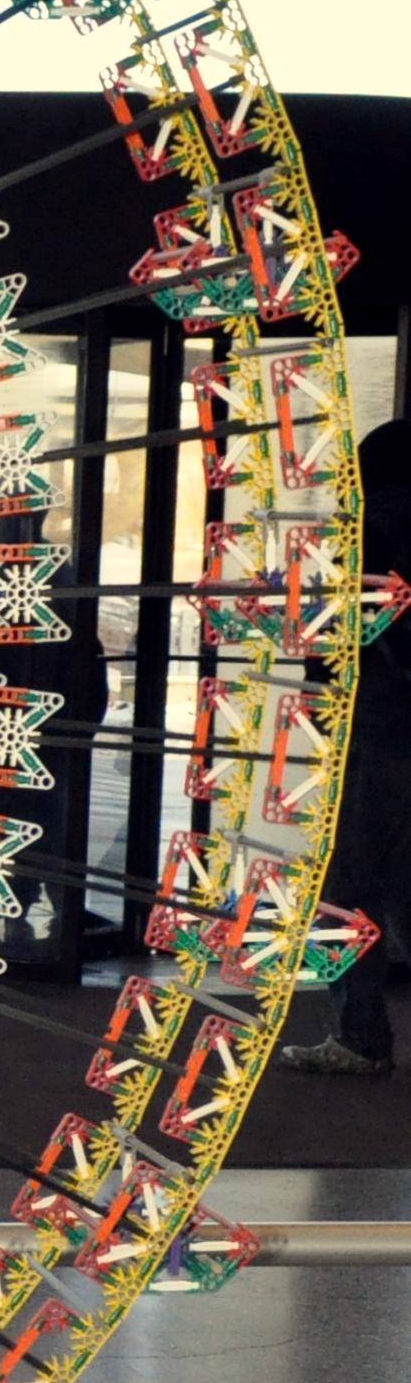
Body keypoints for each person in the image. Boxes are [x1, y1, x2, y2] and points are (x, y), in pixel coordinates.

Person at [282, 414, 411, 1076]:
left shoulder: (371, 533)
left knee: (347, 885)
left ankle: (360, 1036)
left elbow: (331, 633)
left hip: (377, 722)